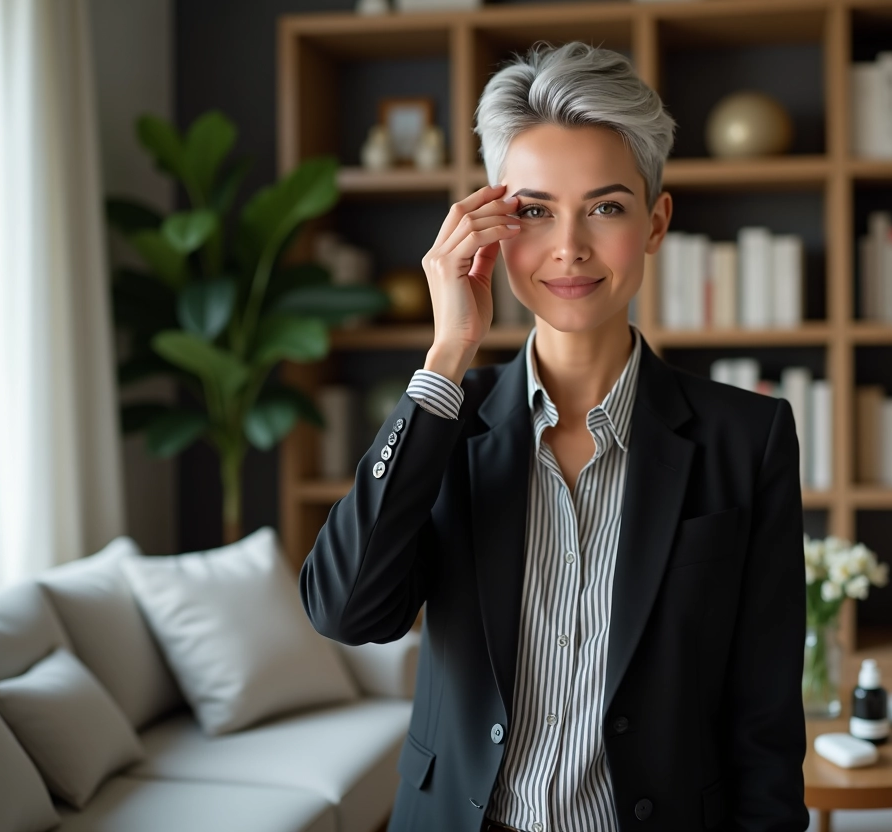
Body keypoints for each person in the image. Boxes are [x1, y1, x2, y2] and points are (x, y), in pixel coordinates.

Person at [299, 40, 808, 832]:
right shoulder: (446, 420)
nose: (568, 247)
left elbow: (765, 715)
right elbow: (347, 611)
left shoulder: (750, 438)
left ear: (655, 222)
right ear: (492, 228)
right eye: (533, 211)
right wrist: (446, 356)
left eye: (605, 207)